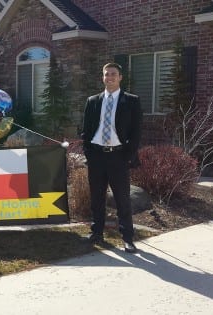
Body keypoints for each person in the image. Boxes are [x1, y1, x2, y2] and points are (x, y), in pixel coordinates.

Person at [81, 62, 142, 253]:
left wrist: (127, 155)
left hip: (118, 157)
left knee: (122, 199)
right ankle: (97, 232)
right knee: (97, 198)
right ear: (103, 77)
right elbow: (86, 131)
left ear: (120, 77)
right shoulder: (93, 101)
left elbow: (137, 132)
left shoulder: (131, 101)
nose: (110, 77)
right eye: (107, 74)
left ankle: (127, 238)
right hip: (97, 156)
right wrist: (89, 153)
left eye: (114, 74)